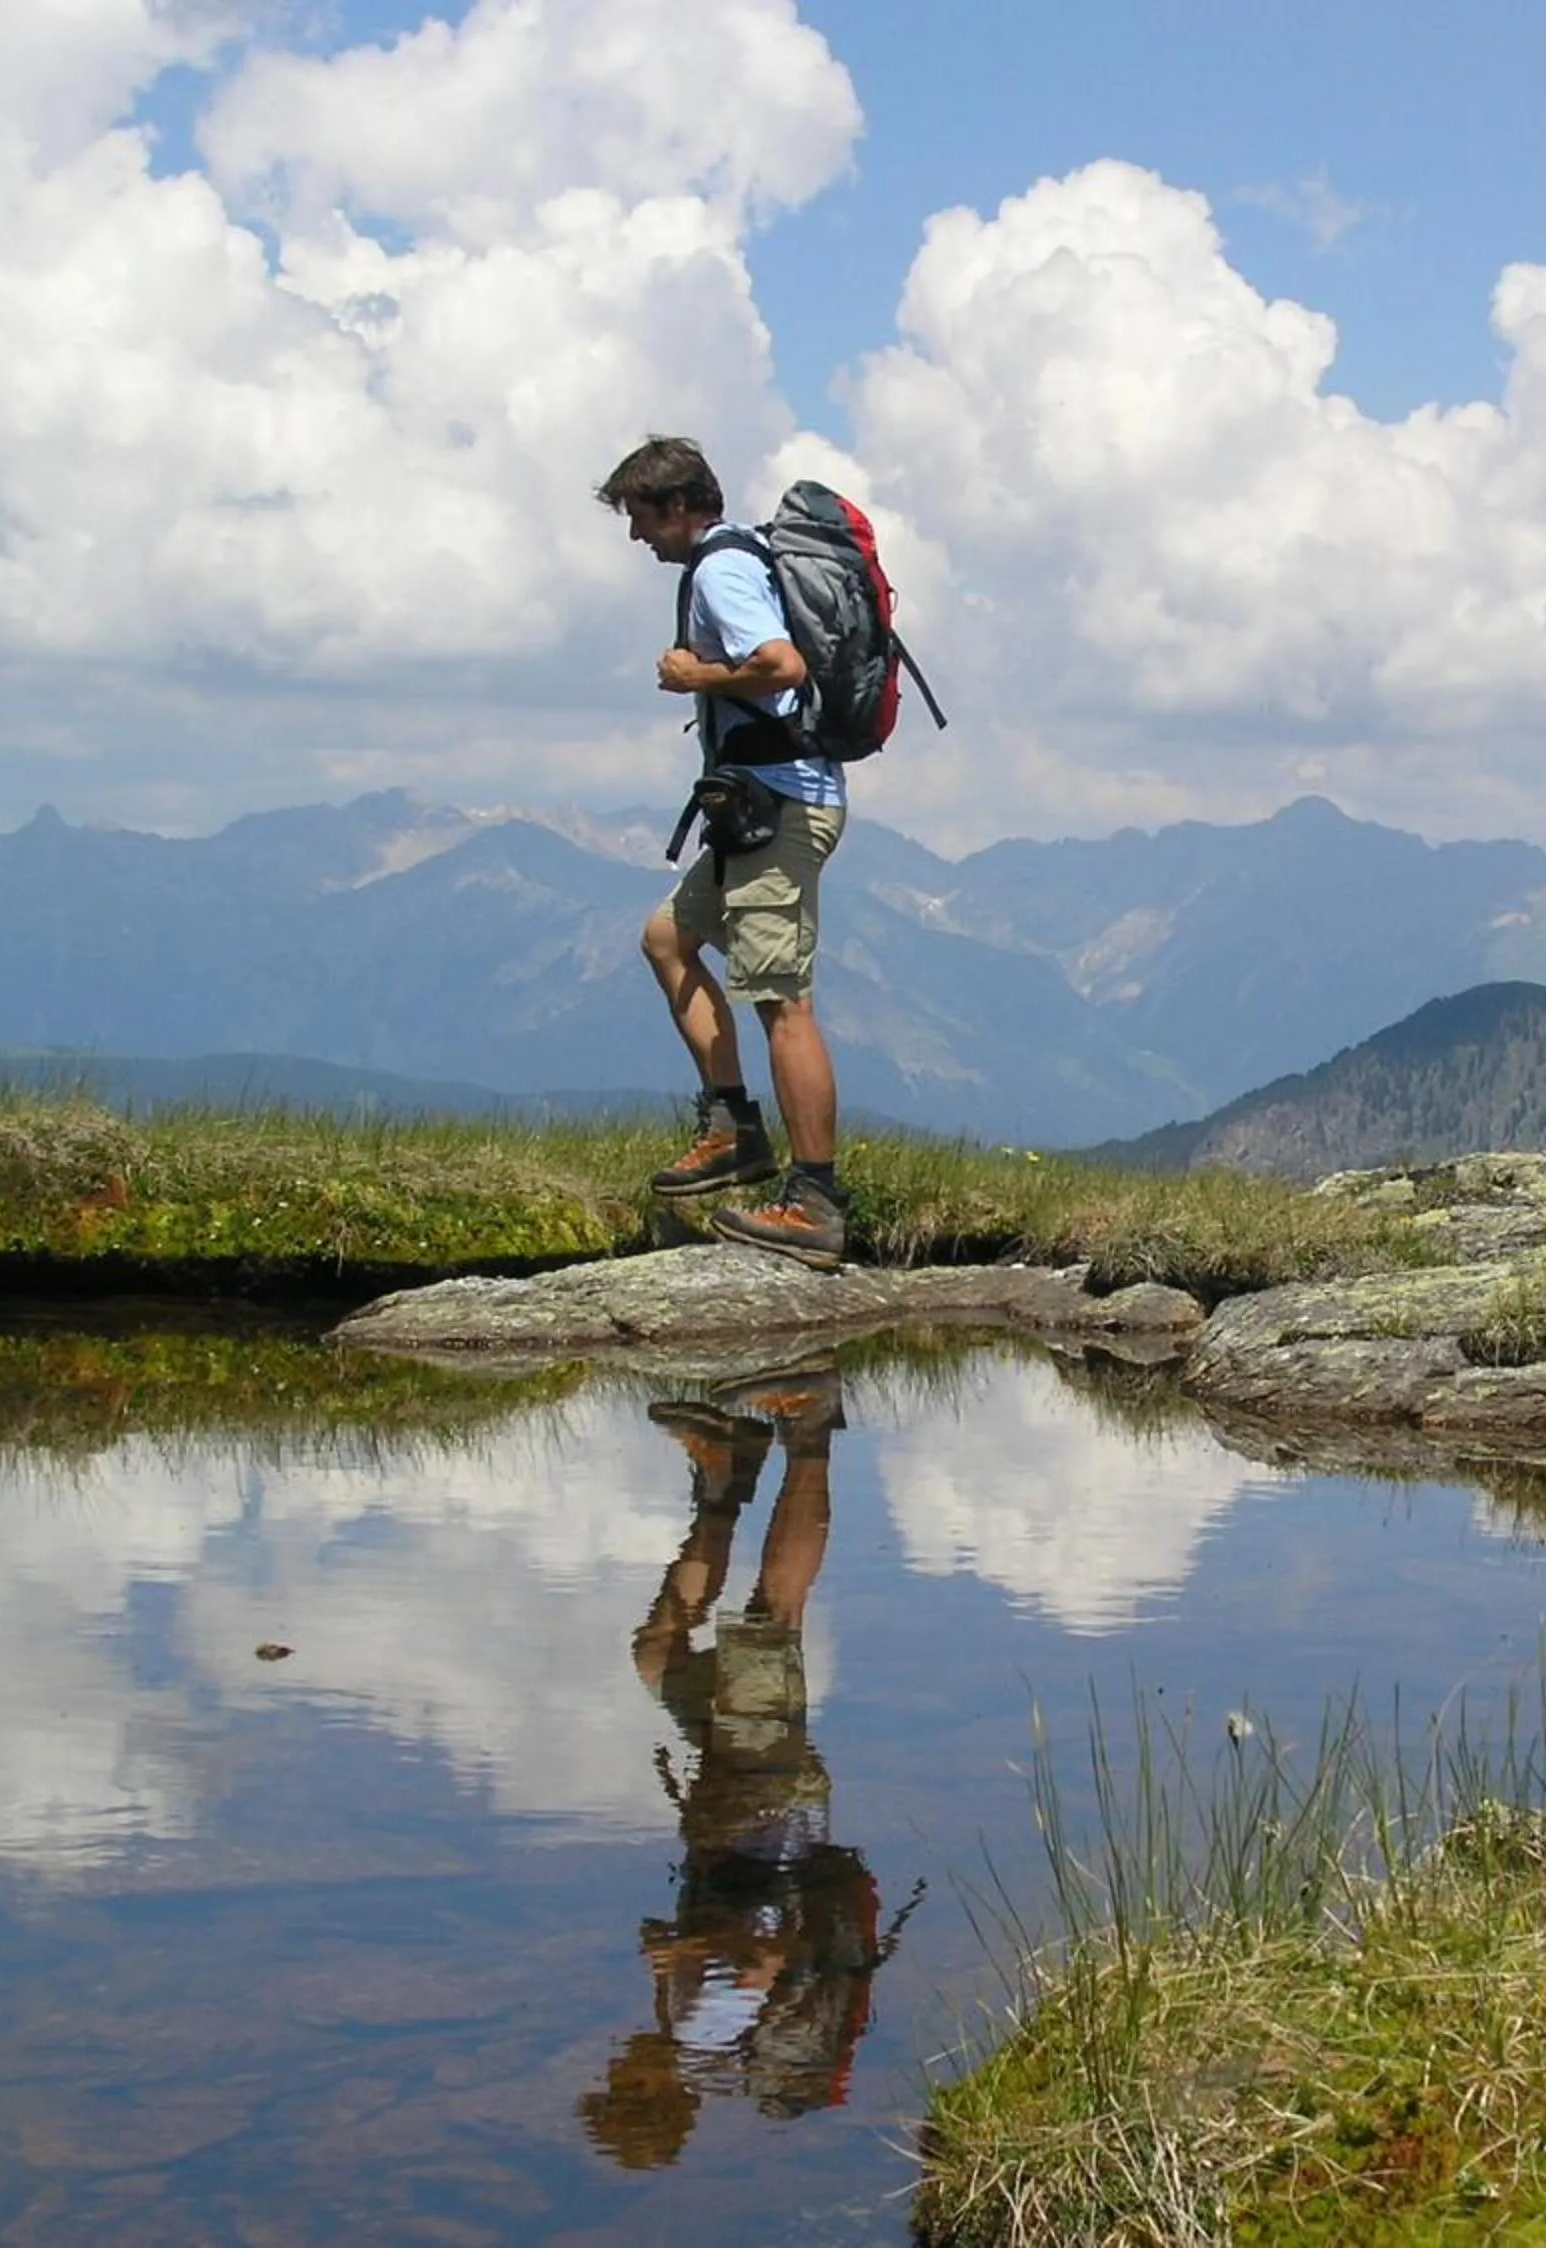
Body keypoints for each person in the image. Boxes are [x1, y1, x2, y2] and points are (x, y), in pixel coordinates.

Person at [578, 1363, 917, 2168]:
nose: (614, 2065)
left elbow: (740, 1941)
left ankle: (726, 1475)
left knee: (659, 1654)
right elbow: (769, 1952)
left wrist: (684, 1943)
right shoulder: (702, 2031)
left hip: (742, 1798)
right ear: (651, 2094)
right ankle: (808, 1434)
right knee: (774, 1617)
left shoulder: (692, 2037)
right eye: (620, 2085)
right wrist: (687, 1950)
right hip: (768, 1806)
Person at [596, 435, 850, 1271]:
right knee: (668, 938)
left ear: (676, 506)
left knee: (783, 1000)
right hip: (758, 808)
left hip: (780, 807)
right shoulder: (731, 558)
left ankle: (815, 1202)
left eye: (640, 516)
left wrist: (693, 676)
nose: (638, 537)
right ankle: (734, 1129)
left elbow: (782, 666)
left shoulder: (719, 570)